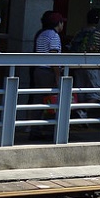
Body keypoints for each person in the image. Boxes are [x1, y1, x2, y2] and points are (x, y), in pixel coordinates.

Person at [69, 9, 100, 121]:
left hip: (78, 67)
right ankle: (81, 111)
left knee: (81, 93)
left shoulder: (79, 33)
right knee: (96, 94)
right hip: (94, 68)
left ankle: (81, 115)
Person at [31, 11, 64, 140]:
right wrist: (57, 76)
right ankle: (50, 130)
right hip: (48, 72)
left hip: (38, 70)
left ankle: (35, 129)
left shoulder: (41, 34)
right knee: (51, 102)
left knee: (38, 101)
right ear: (58, 23)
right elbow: (54, 58)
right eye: (62, 22)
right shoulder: (54, 36)